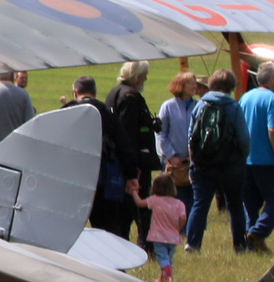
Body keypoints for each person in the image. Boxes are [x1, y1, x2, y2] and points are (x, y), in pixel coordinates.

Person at [186, 69, 249, 254]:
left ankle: (192, 244)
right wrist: (241, 156)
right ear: (231, 86)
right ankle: (239, 245)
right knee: (236, 205)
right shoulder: (234, 107)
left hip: (202, 164)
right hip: (230, 165)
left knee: (200, 204)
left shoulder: (200, 105)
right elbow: (244, 138)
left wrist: (193, 160)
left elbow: (191, 135)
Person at [71, 76, 138, 236]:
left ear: (75, 93)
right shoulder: (108, 113)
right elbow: (124, 145)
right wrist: (131, 175)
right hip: (104, 180)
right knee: (107, 228)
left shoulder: (68, 110)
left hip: (73, 180)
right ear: (95, 92)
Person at [238, 61, 274, 253]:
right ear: (273, 79)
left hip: (247, 160)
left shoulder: (245, 97)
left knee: (250, 204)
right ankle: (259, 232)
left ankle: (251, 242)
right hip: (266, 161)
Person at [109, 60, 161, 240]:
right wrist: (133, 165)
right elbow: (128, 133)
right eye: (144, 75)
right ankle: (146, 244)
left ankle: (122, 240)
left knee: (123, 208)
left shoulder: (114, 92)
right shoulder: (130, 97)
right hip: (135, 160)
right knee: (140, 205)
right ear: (137, 77)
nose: (146, 79)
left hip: (119, 159)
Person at [155, 70, 198, 214]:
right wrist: (171, 155)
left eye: (194, 83)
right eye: (190, 83)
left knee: (194, 199)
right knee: (175, 197)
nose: (194, 86)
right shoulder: (168, 106)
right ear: (181, 86)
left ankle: (190, 230)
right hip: (173, 162)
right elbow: (161, 133)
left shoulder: (199, 106)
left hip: (194, 161)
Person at [135, 174, 188, 282]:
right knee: (169, 258)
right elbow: (183, 217)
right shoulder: (179, 204)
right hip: (173, 236)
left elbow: (140, 203)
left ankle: (167, 275)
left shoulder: (155, 200)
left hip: (158, 236)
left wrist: (133, 192)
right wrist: (178, 227)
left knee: (162, 257)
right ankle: (165, 277)